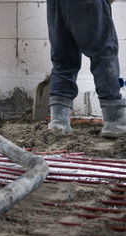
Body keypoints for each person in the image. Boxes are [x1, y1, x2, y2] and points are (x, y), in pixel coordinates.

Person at [46, 0, 126, 138]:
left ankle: (59, 123)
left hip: (55, 4)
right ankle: (115, 122)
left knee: (63, 60)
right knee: (103, 54)